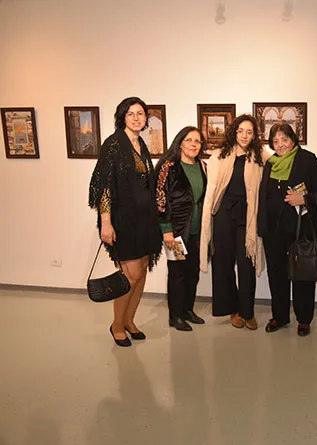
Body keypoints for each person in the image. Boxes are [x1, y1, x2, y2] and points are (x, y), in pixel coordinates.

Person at [88, 97, 162, 347]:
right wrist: (106, 222)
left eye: (140, 113)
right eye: (131, 114)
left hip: (145, 220)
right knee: (130, 275)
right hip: (123, 220)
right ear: (122, 117)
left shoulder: (141, 143)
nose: (136, 118)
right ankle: (117, 326)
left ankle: (129, 320)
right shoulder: (113, 144)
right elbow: (105, 186)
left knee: (141, 272)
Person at [258, 122, 317, 336]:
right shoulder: (270, 163)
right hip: (274, 232)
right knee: (276, 275)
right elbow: (264, 197)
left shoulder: (307, 160)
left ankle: (304, 319)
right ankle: (280, 316)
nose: (280, 144)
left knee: (303, 275)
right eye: (275, 141)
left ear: (293, 140)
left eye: (284, 139)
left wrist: (305, 199)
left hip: (300, 230)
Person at [200, 114, 271, 330]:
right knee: (223, 262)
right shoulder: (220, 155)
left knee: (247, 263)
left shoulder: (261, 157)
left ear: (254, 135)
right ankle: (232, 309)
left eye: (249, 132)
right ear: (234, 132)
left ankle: (247, 312)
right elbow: (212, 187)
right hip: (223, 213)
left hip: (247, 215)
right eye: (240, 131)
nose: (244, 136)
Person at [155, 126, 207, 332]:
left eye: (197, 141)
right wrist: (166, 229)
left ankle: (187, 310)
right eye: (189, 140)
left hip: (196, 232)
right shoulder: (169, 167)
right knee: (177, 274)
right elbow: (160, 198)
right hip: (175, 232)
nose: (194, 144)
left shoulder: (202, 166)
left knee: (193, 272)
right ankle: (175, 316)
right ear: (180, 143)